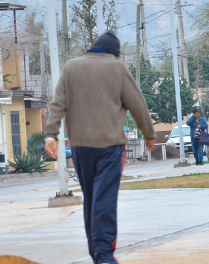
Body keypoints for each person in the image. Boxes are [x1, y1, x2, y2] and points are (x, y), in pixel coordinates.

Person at [45, 31, 156, 264]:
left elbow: (57, 103)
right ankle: (105, 256)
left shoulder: (71, 67)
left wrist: (51, 135)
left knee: (92, 199)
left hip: (80, 147)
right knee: (104, 198)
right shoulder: (117, 68)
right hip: (110, 146)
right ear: (114, 52)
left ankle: (97, 254)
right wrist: (148, 133)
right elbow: (138, 104)